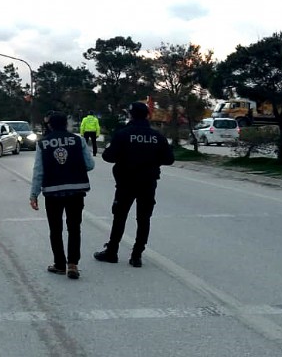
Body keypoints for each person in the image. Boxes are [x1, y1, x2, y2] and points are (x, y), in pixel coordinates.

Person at [93, 102, 175, 267]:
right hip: (148, 182)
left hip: (126, 182)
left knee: (120, 217)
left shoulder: (123, 134)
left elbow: (108, 156)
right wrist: (151, 161)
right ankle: (137, 256)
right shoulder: (156, 136)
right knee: (144, 219)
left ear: (130, 115)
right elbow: (169, 159)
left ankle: (112, 252)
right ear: (147, 115)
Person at [30, 111, 95, 279]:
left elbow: (39, 171)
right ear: (66, 124)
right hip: (76, 190)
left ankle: (59, 264)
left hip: (53, 192)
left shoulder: (43, 143)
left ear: (49, 125)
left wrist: (34, 194)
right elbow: (90, 164)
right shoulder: (78, 140)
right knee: (74, 228)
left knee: (55, 229)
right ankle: (73, 264)